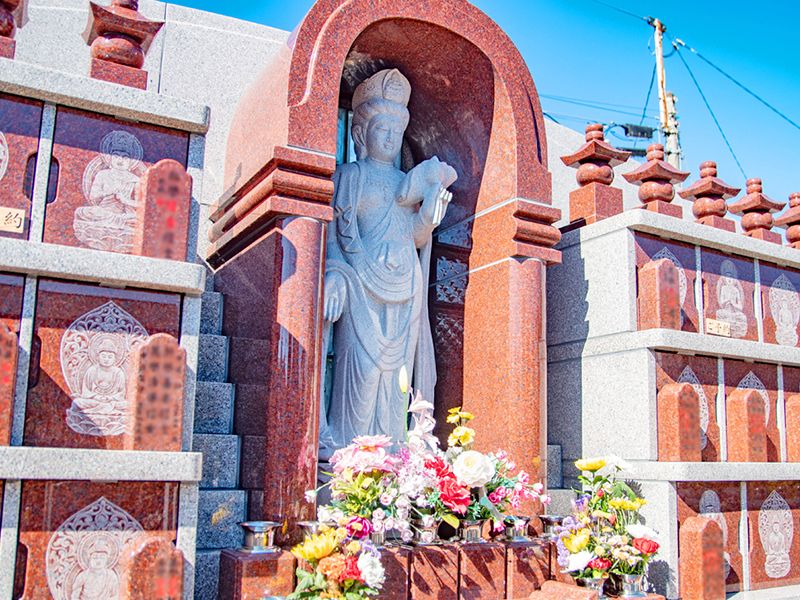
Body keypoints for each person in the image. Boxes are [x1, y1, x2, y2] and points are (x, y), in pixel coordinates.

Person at [320, 69, 457, 458]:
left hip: (404, 288)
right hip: (360, 285)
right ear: (360, 135)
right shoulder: (350, 175)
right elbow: (334, 235)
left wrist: (429, 216)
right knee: (362, 374)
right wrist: (332, 275)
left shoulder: (405, 181)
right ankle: (349, 461)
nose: (390, 138)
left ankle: (395, 464)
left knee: (397, 381)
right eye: (382, 128)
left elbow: (412, 236)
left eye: (396, 131)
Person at [74, 131, 144, 252]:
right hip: (103, 212)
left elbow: (141, 206)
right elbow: (93, 197)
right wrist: (107, 192)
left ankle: (120, 220)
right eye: (116, 156)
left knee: (138, 219)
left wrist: (125, 200)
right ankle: (118, 221)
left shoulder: (135, 180)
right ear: (110, 157)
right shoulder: (102, 175)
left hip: (124, 213)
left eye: (125, 157)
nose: (120, 160)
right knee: (81, 212)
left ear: (131, 161)